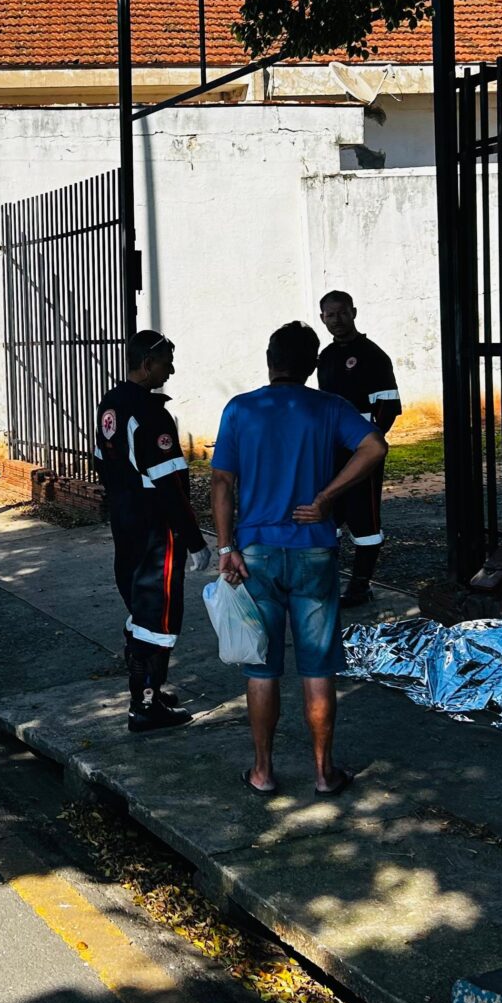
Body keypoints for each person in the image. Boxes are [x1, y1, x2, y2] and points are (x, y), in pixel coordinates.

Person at [211, 322, 387, 795]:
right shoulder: (330, 407)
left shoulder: (241, 410)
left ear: (269, 359)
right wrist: (328, 496)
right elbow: (375, 446)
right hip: (314, 549)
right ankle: (324, 773)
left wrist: (226, 548)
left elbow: (222, 483)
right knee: (317, 667)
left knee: (261, 668)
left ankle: (263, 771)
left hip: (256, 554)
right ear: (312, 365)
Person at [94, 330, 213, 733]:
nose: (172, 369)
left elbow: (103, 464)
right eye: (166, 362)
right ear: (147, 364)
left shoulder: (111, 403)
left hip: (125, 521)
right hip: (154, 528)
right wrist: (194, 539)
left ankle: (151, 688)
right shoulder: (151, 414)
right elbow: (169, 486)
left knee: (140, 606)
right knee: (157, 615)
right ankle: (144, 706)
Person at [315, 290, 400, 607]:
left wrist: (366, 446)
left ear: (354, 312)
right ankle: (327, 582)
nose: (337, 320)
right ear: (322, 318)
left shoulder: (373, 355)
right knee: (330, 515)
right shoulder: (325, 357)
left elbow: (387, 409)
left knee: (364, 519)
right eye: (330, 315)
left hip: (361, 454)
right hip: (330, 452)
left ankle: (361, 586)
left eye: (342, 313)